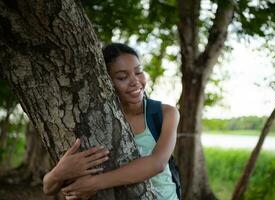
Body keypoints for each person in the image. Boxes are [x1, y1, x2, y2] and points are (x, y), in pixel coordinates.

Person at [43, 43, 180, 200]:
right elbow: (48, 188)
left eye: (138, 72)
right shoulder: (95, 122)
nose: (135, 81)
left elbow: (157, 163)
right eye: (122, 77)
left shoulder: (165, 114)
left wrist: (95, 183)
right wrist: (59, 173)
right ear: (105, 82)